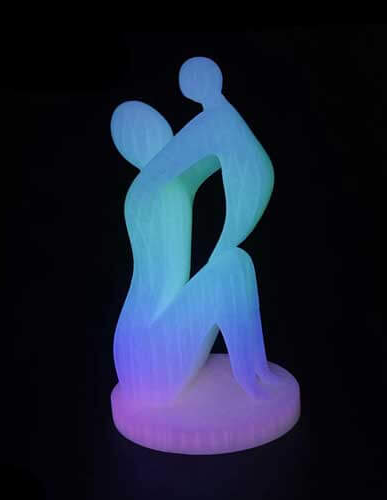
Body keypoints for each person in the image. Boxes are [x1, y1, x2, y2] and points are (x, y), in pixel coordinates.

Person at [111, 58, 279, 407]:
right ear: (129, 147)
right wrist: (215, 111)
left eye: (157, 125)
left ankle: (257, 371)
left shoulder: (172, 184)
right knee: (228, 271)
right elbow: (203, 144)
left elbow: (206, 152)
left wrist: (219, 114)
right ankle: (249, 381)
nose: (157, 132)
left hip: (156, 342)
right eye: (142, 131)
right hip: (143, 354)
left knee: (237, 262)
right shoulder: (145, 191)